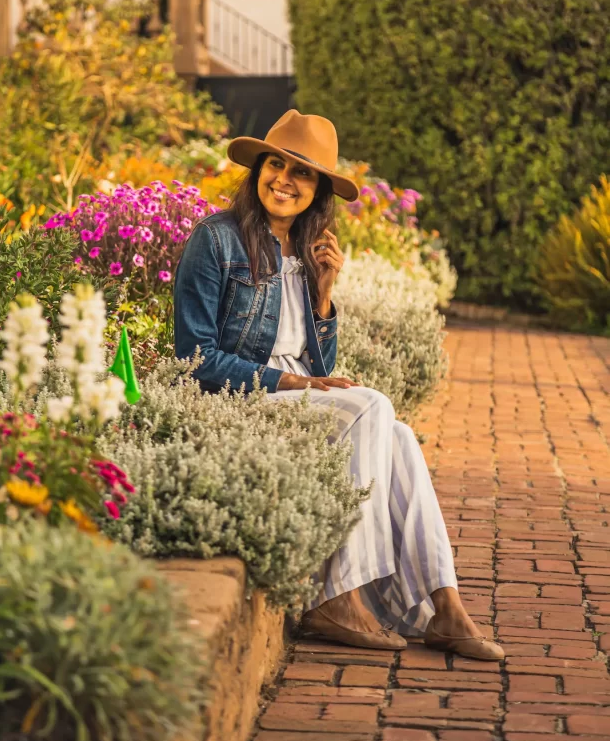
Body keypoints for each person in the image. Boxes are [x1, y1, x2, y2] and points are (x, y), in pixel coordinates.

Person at [174, 110, 504, 661]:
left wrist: (324, 298)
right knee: (373, 406)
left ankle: (445, 604)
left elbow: (319, 360)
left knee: (396, 435)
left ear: (318, 190)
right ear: (257, 171)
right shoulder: (216, 241)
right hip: (242, 400)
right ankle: (338, 594)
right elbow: (196, 357)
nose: (284, 179)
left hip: (294, 393)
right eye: (275, 165)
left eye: (301, 173)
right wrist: (289, 381)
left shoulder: (307, 251)